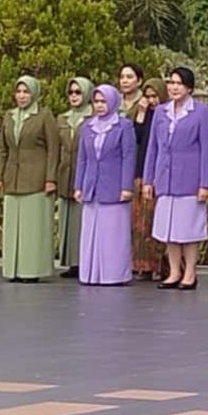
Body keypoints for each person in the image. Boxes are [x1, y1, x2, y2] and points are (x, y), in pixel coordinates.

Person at [143, 67, 208, 290]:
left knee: (189, 231)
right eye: (171, 82)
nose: (174, 87)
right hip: (166, 178)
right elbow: (152, 148)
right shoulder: (161, 112)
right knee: (169, 230)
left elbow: (206, 149)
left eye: (179, 83)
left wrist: (204, 183)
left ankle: (190, 273)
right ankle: (174, 271)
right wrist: (148, 179)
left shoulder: (200, 112)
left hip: (189, 180)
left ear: (189, 87)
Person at [0, 75, 60, 283]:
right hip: (13, 178)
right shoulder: (9, 116)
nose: (21, 96)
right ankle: (12, 269)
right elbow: (2, 149)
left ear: (34, 93)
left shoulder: (44, 116)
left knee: (33, 228)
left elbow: (54, 149)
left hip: (36, 179)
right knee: (13, 227)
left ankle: (31, 271)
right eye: (19, 91)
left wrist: (51, 178)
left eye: (26, 92)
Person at [74, 85, 136, 286]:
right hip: (92, 187)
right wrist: (79, 186)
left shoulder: (124, 126)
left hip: (114, 187)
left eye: (103, 101)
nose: (99, 106)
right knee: (91, 232)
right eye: (96, 102)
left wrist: (126, 186)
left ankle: (114, 274)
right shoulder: (87, 127)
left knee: (113, 233)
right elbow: (82, 159)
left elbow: (129, 157)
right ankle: (91, 274)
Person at [56, 77, 94, 279]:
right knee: (67, 220)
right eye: (71, 92)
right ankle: (71, 262)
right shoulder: (62, 119)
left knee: (82, 220)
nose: (73, 96)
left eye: (78, 92)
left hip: (85, 175)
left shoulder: (93, 117)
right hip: (65, 174)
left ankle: (84, 261)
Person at [132, 78, 169, 281]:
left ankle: (164, 265)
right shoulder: (146, 116)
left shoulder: (167, 117)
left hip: (160, 174)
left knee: (158, 221)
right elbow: (136, 138)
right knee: (141, 223)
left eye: (155, 96)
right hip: (141, 172)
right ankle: (144, 266)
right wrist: (141, 113)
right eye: (148, 97)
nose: (152, 101)